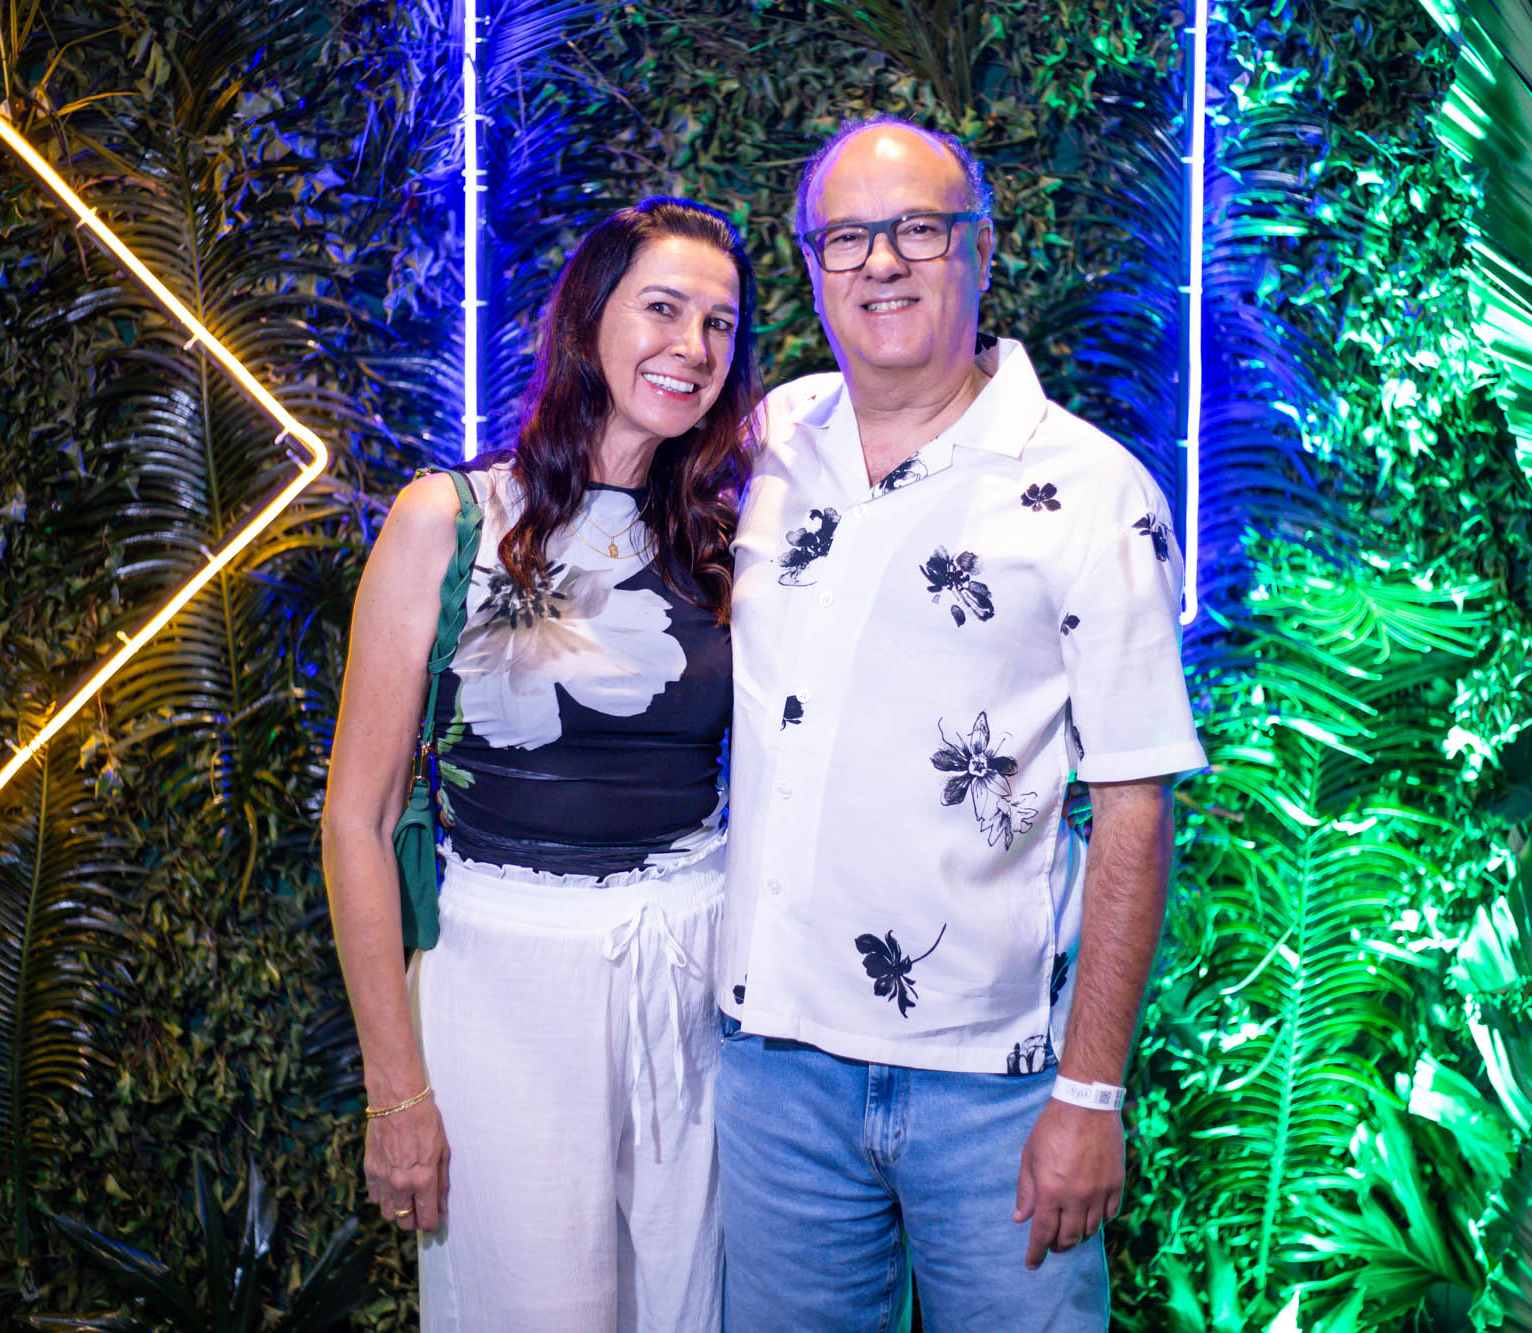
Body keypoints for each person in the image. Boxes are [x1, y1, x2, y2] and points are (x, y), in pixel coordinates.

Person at [717, 117, 1207, 1331]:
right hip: (772, 1072)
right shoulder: (765, 444)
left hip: (995, 1087)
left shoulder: (1090, 491)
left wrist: (1089, 1092)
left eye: (918, 230)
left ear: (980, 251)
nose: (881, 260)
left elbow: (1134, 806)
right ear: (810, 267)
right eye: (846, 237)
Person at [322, 197, 758, 1332]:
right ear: (586, 321)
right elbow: (358, 819)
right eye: (662, 308)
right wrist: (395, 1090)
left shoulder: (729, 538)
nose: (693, 346)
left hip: (692, 974)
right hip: (502, 979)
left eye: (719, 324)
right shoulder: (451, 518)